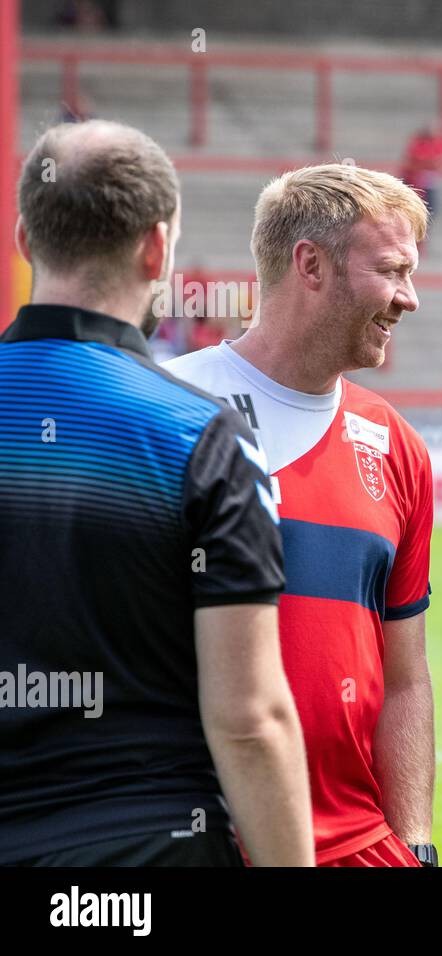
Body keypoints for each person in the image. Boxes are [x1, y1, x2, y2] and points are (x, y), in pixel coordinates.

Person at [0, 120, 312, 866]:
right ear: (157, 246)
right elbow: (248, 718)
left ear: (22, 237)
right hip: (146, 852)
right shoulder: (203, 437)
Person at [165, 164, 438, 867]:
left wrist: (415, 844)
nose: (409, 298)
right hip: (191, 844)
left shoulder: (396, 445)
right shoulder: (166, 407)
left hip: (360, 846)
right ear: (310, 264)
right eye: (392, 270)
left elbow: (405, 678)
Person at [399, 122, 442, 223]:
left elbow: (440, 162)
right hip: (414, 181)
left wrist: (426, 162)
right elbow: (414, 160)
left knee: (429, 211)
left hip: (429, 183)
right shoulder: (418, 142)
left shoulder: (439, 144)